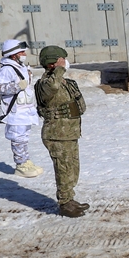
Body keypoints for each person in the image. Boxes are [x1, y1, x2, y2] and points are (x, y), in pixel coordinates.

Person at [34, 46, 90, 218]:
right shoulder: (45, 83)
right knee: (63, 169)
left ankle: (70, 198)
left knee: (72, 168)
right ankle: (65, 203)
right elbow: (52, 87)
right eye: (61, 60)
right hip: (56, 134)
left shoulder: (64, 82)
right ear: (52, 63)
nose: (65, 62)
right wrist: (59, 69)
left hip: (69, 133)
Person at [0, 39, 43, 178]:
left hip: (25, 108)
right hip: (15, 110)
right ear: (13, 54)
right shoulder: (7, 69)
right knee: (18, 137)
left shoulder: (20, 66)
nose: (24, 53)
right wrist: (16, 86)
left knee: (24, 137)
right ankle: (20, 164)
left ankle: (26, 161)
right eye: (21, 51)